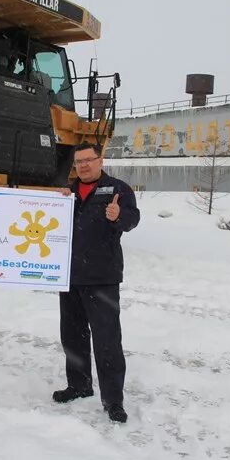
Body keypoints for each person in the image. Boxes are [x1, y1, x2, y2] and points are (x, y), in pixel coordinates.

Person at [53, 142, 140, 423]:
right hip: (69, 277)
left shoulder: (118, 189)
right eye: (78, 162)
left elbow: (132, 219)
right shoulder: (67, 193)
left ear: (100, 161)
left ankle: (113, 400)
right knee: (73, 336)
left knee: (107, 341)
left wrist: (119, 217)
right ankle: (78, 385)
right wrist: (57, 202)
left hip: (102, 278)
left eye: (89, 160)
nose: (84, 166)